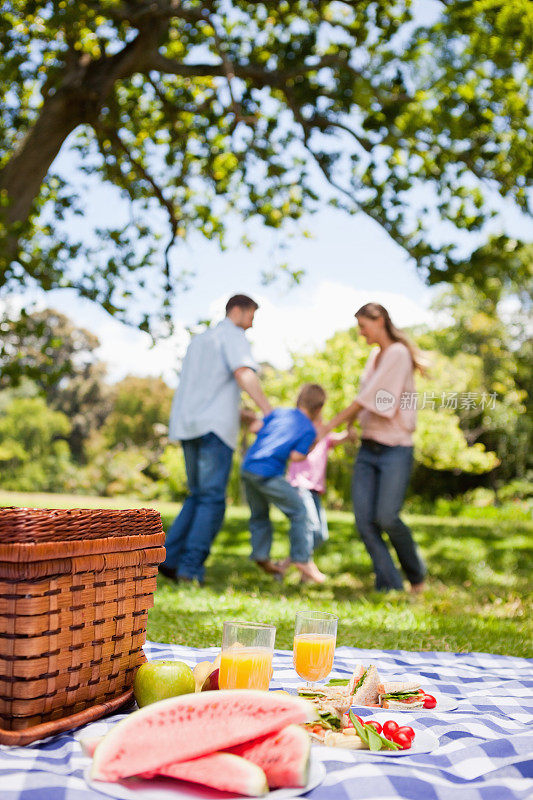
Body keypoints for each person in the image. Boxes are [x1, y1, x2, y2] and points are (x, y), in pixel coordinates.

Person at [160, 294, 272, 584]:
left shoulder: (200, 341)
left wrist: (244, 415)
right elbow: (243, 373)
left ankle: (169, 560)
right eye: (251, 316)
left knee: (197, 495)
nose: (251, 324)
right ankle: (190, 568)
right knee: (212, 500)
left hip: (188, 425)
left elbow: (207, 390)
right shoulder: (232, 334)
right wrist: (268, 411)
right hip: (214, 430)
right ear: (237, 310)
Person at [326, 303, 427, 593]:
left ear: (379, 320)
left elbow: (370, 399)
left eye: (363, 326)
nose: (361, 332)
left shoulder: (397, 353)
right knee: (364, 522)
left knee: (386, 517)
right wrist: (350, 426)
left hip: (395, 447)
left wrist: (326, 428)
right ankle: (391, 586)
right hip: (368, 448)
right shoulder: (375, 355)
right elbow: (364, 397)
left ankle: (416, 577)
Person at [241, 384, 327, 584]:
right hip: (268, 473)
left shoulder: (279, 413)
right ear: (319, 409)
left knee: (259, 514)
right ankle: (301, 559)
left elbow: (256, 427)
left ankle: (261, 554)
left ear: (299, 400)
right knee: (300, 512)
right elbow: (296, 456)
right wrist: (312, 444)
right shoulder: (308, 429)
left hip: (248, 468)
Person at [288, 412, 358, 551]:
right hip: (300, 486)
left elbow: (346, 436)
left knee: (320, 535)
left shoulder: (325, 438)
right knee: (312, 527)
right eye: (317, 420)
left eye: (321, 420)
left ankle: (296, 563)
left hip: (315, 490)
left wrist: (351, 424)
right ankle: (300, 563)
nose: (321, 423)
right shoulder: (299, 434)